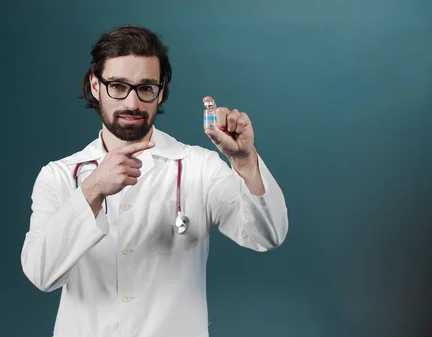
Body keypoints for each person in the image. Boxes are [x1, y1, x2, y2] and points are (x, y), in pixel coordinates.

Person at [20, 25, 289, 337]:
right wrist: (92, 190)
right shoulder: (58, 176)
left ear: (161, 91)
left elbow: (267, 236)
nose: (133, 104)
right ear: (95, 86)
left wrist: (243, 160)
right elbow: (42, 275)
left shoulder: (198, 167)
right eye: (118, 86)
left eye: (146, 88)